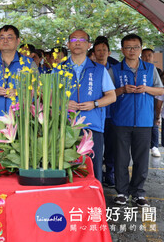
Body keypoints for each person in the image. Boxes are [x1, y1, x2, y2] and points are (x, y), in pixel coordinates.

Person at [110, 34, 164, 207]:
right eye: (128, 47)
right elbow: (108, 93)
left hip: (144, 121)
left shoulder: (149, 68)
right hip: (120, 121)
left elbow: (160, 91)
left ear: (140, 49)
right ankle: (122, 193)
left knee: (141, 160)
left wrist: (147, 88)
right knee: (121, 159)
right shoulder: (115, 69)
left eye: (135, 47)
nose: (131, 51)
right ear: (122, 50)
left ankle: (139, 192)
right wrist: (122, 89)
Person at [60, 30, 116, 182]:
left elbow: (112, 96)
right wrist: (63, 104)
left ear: (88, 45)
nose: (77, 42)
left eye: (82, 39)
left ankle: (93, 204)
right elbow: (47, 97)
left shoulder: (99, 70)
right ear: (68, 44)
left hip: (92, 127)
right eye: (73, 39)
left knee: (93, 170)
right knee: (66, 170)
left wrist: (95, 104)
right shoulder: (58, 69)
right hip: (65, 126)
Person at [0, 25, 35, 138]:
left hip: (22, 122)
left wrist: (18, 92)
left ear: (18, 41)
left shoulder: (29, 63)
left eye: (9, 37)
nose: (5, 40)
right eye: (2, 37)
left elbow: (38, 91)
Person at [92, 38, 116, 187]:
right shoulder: (91, 68)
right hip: (95, 116)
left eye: (104, 50)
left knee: (111, 147)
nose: (101, 53)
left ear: (109, 52)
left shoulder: (114, 68)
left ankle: (110, 174)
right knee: (95, 150)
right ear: (93, 52)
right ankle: (96, 175)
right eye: (98, 50)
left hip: (111, 114)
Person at [141, 48, 162, 157]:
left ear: (153, 57)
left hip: (154, 100)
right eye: (144, 56)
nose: (147, 58)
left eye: (149, 55)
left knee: (154, 123)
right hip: (142, 101)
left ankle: (154, 146)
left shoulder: (156, 71)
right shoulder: (137, 69)